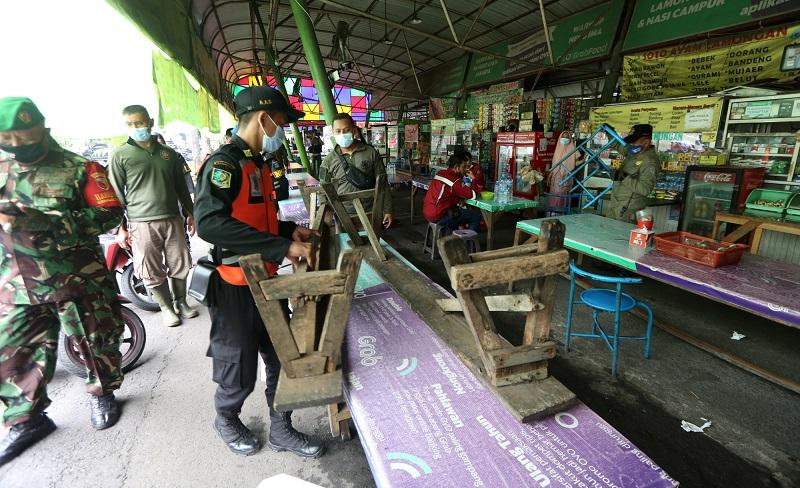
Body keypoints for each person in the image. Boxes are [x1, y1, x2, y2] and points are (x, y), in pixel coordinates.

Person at [194, 86, 323, 458]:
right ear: (264, 119)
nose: (282, 130)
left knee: (282, 356)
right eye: (281, 121)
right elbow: (210, 223)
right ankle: (226, 418)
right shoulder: (225, 165)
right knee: (238, 366)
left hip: (265, 280)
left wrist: (286, 231)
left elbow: (254, 221)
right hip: (234, 285)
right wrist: (283, 247)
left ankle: (282, 428)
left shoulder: (259, 164)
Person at [0, 97, 127, 465]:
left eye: (24, 136)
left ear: (41, 128)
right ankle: (27, 419)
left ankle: (102, 394)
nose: (16, 144)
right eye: (7, 138)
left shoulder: (79, 168)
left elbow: (108, 214)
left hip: (74, 276)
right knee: (12, 353)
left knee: (94, 341)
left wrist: (48, 222)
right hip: (15, 282)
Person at [108, 105, 198, 328]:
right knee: (150, 269)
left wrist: (191, 213)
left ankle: (181, 302)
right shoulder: (120, 154)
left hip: (173, 219)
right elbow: (115, 194)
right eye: (129, 124)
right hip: (141, 222)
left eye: (139, 123)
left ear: (150, 122)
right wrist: (120, 228)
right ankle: (167, 308)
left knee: (180, 263)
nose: (135, 128)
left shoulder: (169, 154)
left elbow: (181, 187)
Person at [318, 113, 393, 229]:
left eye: (346, 130)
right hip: (342, 216)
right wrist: (326, 217)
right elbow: (323, 191)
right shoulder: (328, 161)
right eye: (338, 131)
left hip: (371, 212)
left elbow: (383, 183)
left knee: (373, 239)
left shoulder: (371, 153)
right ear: (333, 132)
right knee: (345, 240)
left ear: (354, 130)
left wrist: (387, 210)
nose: (342, 134)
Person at [607, 124, 659, 222]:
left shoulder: (650, 162)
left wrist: (624, 177)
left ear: (646, 142)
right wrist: (610, 133)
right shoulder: (634, 152)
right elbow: (618, 145)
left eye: (633, 143)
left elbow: (645, 189)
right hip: (616, 203)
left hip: (627, 209)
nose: (630, 145)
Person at [423, 153, 481, 232]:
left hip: (427, 212)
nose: (465, 170)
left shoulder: (440, 173)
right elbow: (472, 195)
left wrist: (458, 199)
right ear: (456, 167)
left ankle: (454, 233)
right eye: (464, 167)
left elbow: (447, 193)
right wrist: (474, 179)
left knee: (458, 211)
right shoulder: (454, 181)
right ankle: (468, 239)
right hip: (438, 216)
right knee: (476, 216)